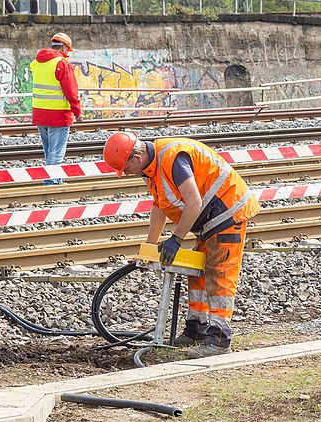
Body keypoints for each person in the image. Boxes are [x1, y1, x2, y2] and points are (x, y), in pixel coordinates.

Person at [102, 132, 260, 359]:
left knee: (219, 275)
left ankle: (219, 340)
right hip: (210, 220)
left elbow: (194, 203)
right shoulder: (151, 168)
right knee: (197, 274)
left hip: (229, 212)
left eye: (125, 169)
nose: (125, 174)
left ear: (136, 158)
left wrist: (176, 239)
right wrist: (149, 248)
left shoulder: (173, 159)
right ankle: (197, 328)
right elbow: (159, 207)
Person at [30, 32, 82, 185]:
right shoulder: (62, 63)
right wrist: (77, 112)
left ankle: (54, 179)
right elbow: (71, 91)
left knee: (49, 152)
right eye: (68, 51)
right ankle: (51, 183)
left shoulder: (37, 62)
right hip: (58, 115)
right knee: (56, 153)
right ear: (64, 48)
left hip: (40, 113)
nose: (68, 54)